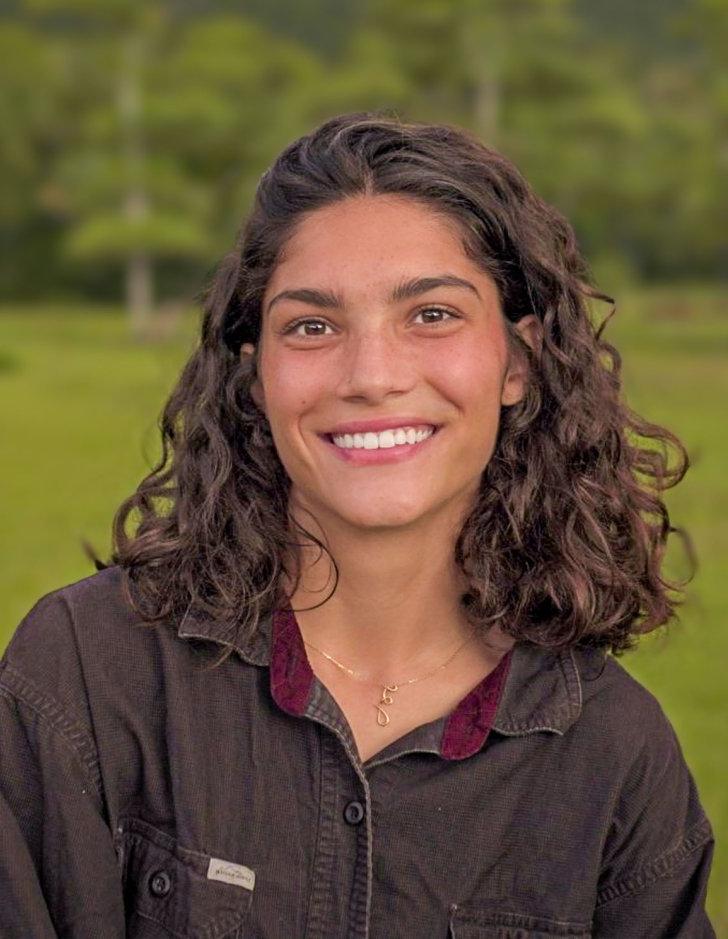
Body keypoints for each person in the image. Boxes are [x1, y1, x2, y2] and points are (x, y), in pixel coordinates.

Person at [0, 112, 715, 938]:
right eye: (312, 326)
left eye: (433, 315)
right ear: (255, 375)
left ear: (516, 362)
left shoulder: (615, 756)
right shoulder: (88, 672)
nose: (372, 376)